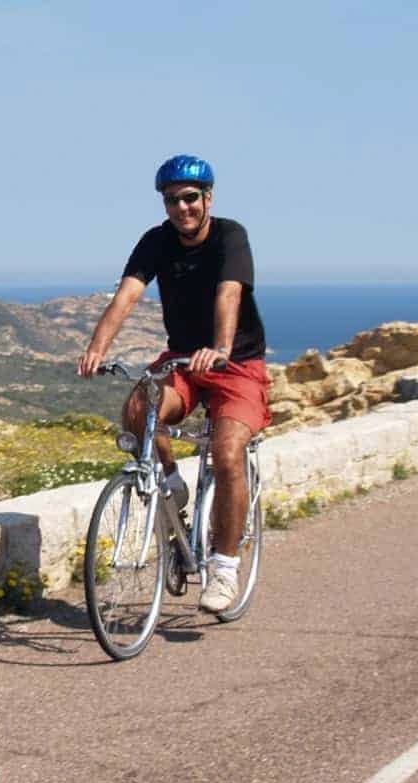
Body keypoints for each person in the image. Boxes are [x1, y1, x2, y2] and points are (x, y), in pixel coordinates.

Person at [77, 154, 270, 613]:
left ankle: (224, 567)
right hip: (182, 359)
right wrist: (96, 347)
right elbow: (126, 294)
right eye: (171, 201)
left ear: (207, 198)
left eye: (190, 198)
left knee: (226, 455)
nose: (181, 208)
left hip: (236, 363)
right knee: (138, 411)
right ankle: (170, 484)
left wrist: (221, 346)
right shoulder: (156, 242)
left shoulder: (230, 236)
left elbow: (229, 292)